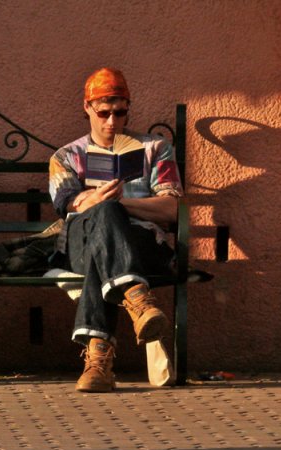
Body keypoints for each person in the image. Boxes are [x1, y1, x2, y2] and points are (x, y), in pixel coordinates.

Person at [47, 68, 184, 393]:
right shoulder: (66, 157)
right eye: (104, 113)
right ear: (87, 108)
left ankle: (98, 361)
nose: (112, 122)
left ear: (128, 109)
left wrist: (121, 206)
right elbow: (68, 203)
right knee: (102, 216)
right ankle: (138, 298)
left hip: (143, 244)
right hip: (80, 245)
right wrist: (97, 201)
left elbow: (172, 208)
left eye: (119, 113)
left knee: (104, 244)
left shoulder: (156, 148)